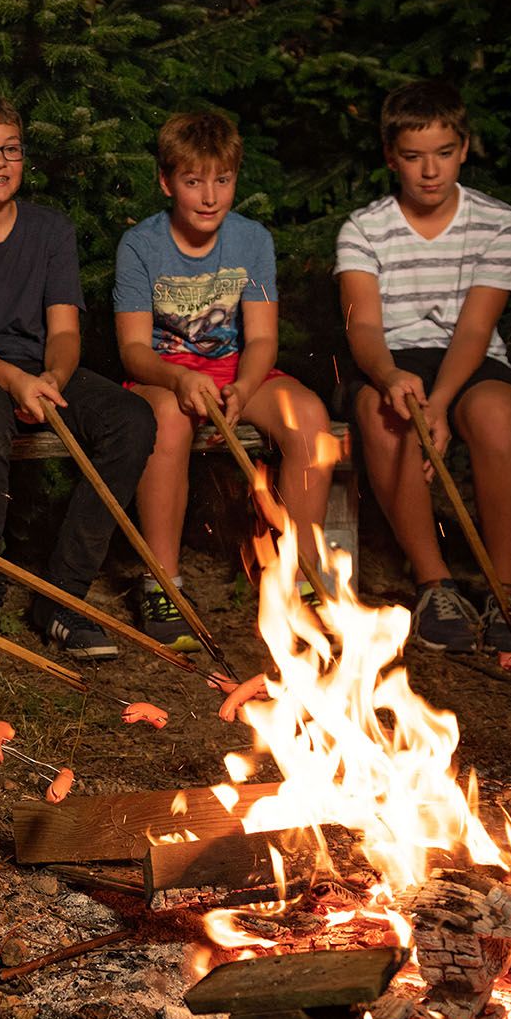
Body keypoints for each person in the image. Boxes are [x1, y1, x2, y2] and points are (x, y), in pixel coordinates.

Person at [0, 90, 158, 664]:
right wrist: (13, 382)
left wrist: (52, 378)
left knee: (130, 418)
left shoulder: (50, 229)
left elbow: (64, 330)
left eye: (11, 149)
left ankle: (63, 599)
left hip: (39, 370)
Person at [114, 113, 336, 645]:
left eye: (223, 180)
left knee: (308, 416)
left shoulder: (250, 240)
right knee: (167, 422)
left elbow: (261, 339)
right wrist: (177, 379)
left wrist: (244, 387)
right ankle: (162, 583)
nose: (210, 196)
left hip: (236, 371)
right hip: (166, 375)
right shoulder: (141, 245)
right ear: (166, 182)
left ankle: (301, 577)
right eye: (193, 181)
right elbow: (133, 350)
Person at [336, 79, 511, 652]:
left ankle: (504, 593)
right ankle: (434, 586)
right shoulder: (363, 229)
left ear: (464, 148)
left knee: (497, 414)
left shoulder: (500, 223)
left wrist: (441, 404)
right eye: (413, 156)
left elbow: (474, 329)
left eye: (444, 153)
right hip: (393, 357)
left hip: (469, 358)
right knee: (384, 415)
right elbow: (363, 328)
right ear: (390, 157)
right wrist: (389, 377)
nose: (430, 171)